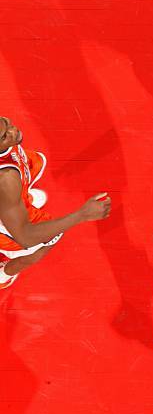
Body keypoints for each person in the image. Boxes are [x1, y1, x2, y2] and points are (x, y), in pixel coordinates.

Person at [0, 116, 111, 289]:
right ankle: (4, 275)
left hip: (10, 195)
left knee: (18, 187)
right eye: (4, 136)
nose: (14, 131)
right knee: (42, 245)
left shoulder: (8, 160)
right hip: (12, 222)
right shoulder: (6, 179)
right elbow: (26, 236)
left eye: (7, 124)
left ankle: (20, 202)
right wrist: (81, 215)